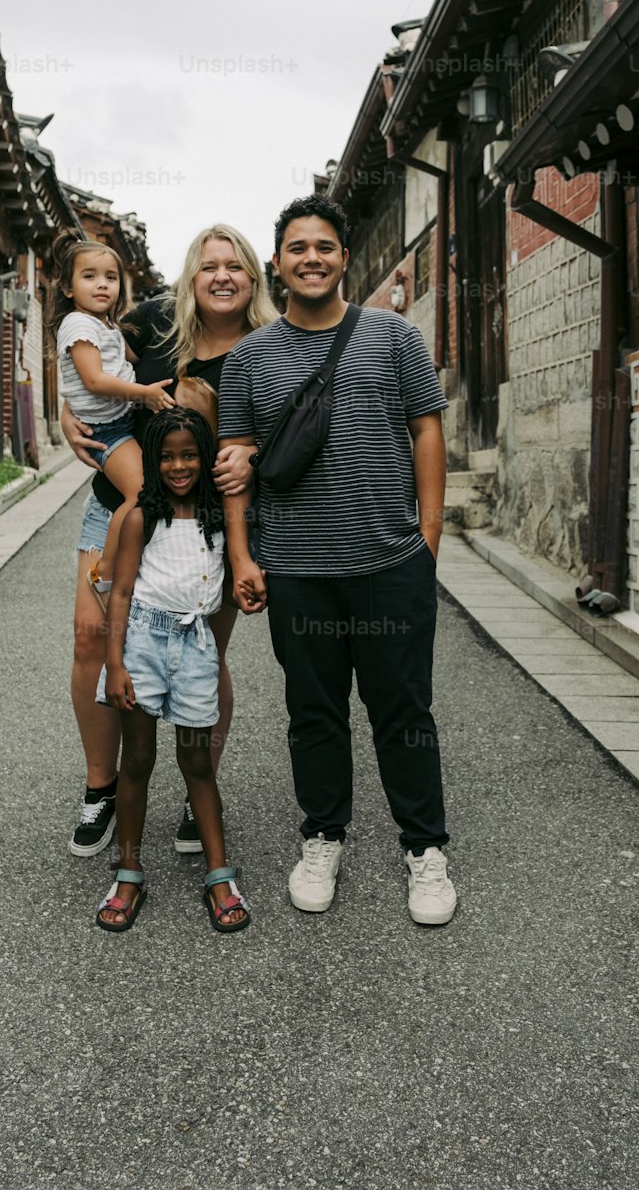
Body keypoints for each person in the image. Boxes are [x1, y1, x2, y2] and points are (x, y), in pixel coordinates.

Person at [218, 193, 457, 926]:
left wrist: (429, 535)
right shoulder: (251, 357)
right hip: (296, 567)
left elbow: (425, 428)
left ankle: (425, 850)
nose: (311, 258)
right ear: (277, 263)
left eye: (324, 246)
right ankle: (322, 838)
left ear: (344, 258)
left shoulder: (393, 338)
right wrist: (242, 556)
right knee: (313, 712)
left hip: (390, 562)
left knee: (403, 710)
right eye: (297, 248)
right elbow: (236, 461)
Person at [61, 225, 278, 860]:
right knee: (91, 637)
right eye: (208, 265)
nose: (221, 276)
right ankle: (102, 785)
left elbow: (292, 425)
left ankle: (195, 785)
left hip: (210, 520)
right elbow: (77, 344)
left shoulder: (273, 346)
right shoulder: (152, 321)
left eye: (234, 265)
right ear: (191, 274)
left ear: (253, 278)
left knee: (200, 648)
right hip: (120, 504)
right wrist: (64, 407)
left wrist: (255, 456)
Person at [97, 407, 249, 935]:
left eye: (189, 455)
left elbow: (228, 581)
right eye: (166, 456)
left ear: (205, 459)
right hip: (141, 642)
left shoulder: (218, 517)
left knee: (198, 763)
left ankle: (219, 875)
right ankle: (129, 871)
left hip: (196, 646)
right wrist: (115, 664)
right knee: (136, 759)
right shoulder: (143, 517)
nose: (178, 466)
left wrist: (248, 589)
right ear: (153, 461)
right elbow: (117, 590)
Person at [48, 231, 175, 592]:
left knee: (142, 491)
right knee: (141, 491)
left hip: (116, 424)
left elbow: (122, 361)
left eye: (111, 277)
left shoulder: (104, 325)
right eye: (89, 276)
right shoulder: (78, 323)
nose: (102, 285)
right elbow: (95, 380)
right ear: (69, 288)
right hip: (108, 431)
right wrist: (144, 394)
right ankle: (105, 568)